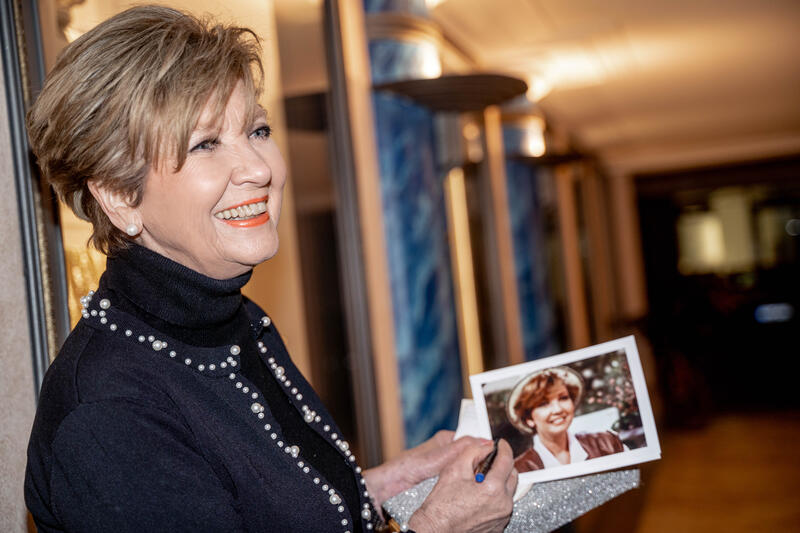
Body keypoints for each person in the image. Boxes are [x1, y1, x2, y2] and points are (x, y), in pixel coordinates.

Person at [24, 6, 517, 532]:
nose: (260, 169)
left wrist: (381, 486)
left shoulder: (231, 319)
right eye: (206, 144)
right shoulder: (108, 416)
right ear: (120, 196)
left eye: (257, 130)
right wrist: (437, 529)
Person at [507, 367, 625, 473]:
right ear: (528, 418)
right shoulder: (518, 471)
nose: (558, 409)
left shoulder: (608, 443)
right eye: (543, 403)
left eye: (563, 398)